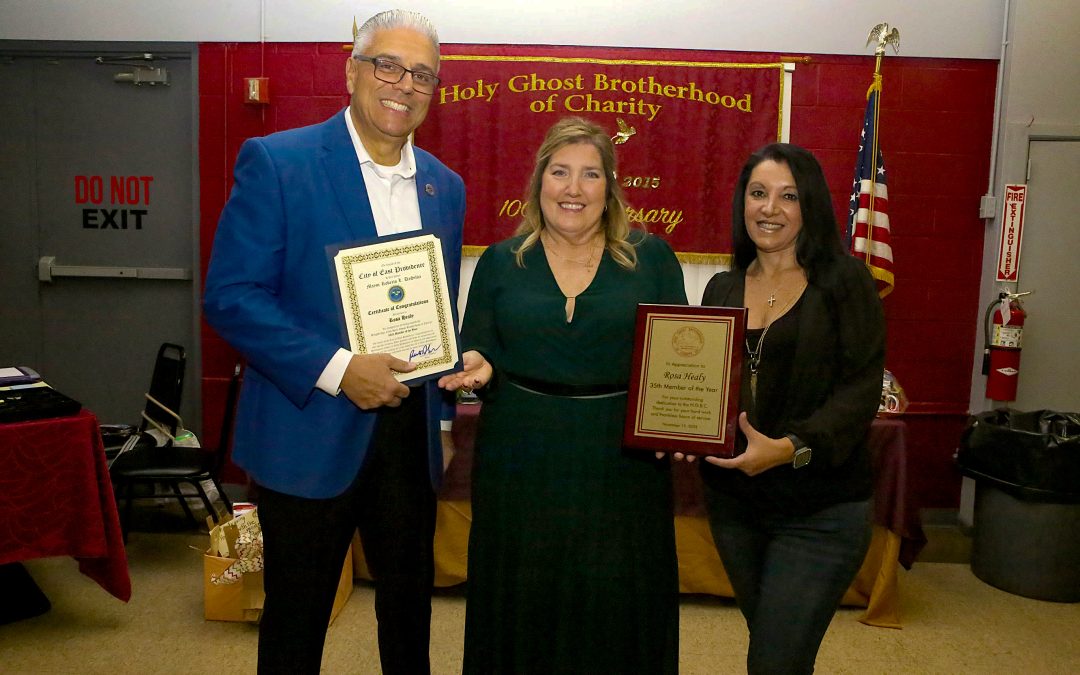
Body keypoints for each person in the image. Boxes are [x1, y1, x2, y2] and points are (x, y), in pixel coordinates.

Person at [202, 10, 464, 675]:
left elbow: (437, 317)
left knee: (409, 618)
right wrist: (339, 368)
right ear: (352, 70)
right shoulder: (279, 162)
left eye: (423, 74)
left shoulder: (445, 187)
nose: (405, 83)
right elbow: (232, 296)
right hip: (306, 432)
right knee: (297, 620)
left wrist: (439, 418)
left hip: (408, 443)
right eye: (388, 64)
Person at [438, 116, 685, 674]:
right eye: (560, 172)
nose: (573, 189)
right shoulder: (502, 262)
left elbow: (679, 362)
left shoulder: (652, 259)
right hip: (520, 456)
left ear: (611, 187)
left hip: (622, 464)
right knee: (523, 597)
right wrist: (476, 368)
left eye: (590, 175)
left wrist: (688, 418)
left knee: (617, 597)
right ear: (539, 181)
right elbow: (479, 351)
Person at [694, 142, 885, 674]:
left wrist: (792, 448)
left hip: (820, 511)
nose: (769, 208)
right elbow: (706, 386)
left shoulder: (845, 283)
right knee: (779, 651)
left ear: (810, 207)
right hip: (735, 509)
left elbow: (860, 391)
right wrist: (682, 431)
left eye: (787, 196)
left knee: (774, 661)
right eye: (758, 193)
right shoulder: (722, 287)